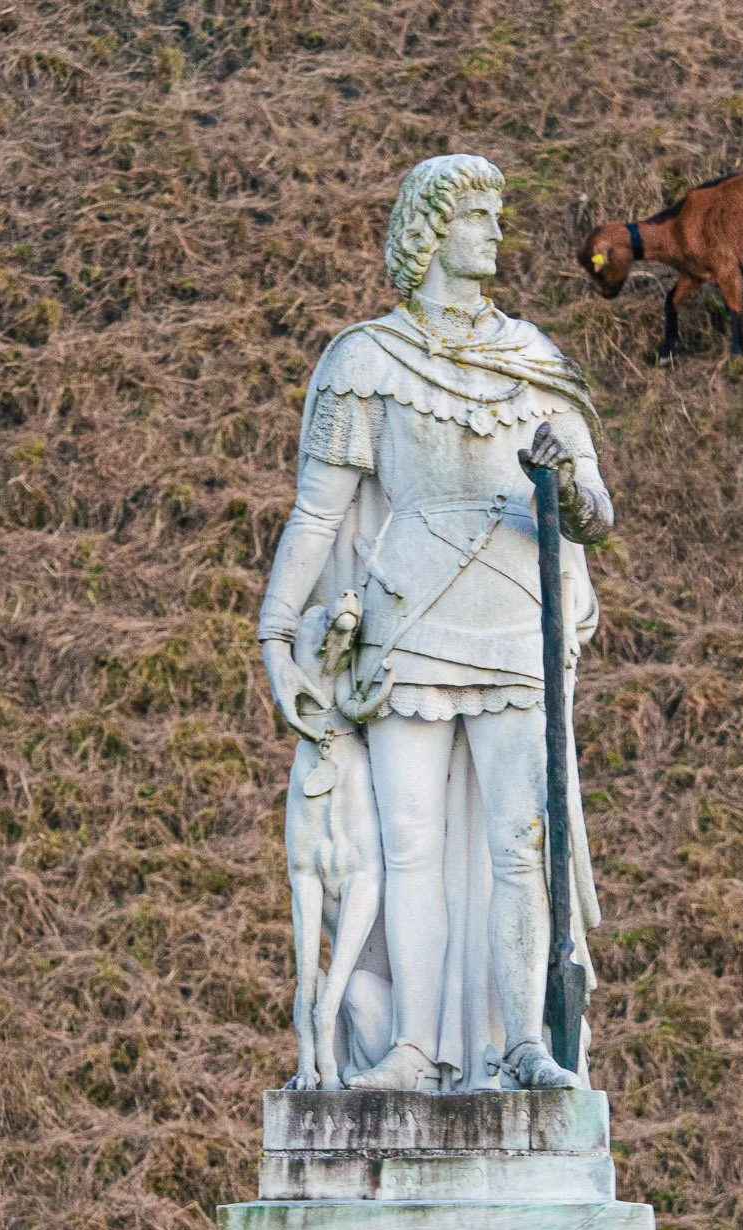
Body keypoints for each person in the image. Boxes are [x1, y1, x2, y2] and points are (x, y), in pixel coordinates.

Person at [256, 154, 611, 1092]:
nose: (497, 232)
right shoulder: (365, 361)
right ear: (428, 231)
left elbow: (598, 515)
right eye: (479, 216)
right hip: (404, 621)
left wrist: (567, 482)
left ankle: (521, 1042)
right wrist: (275, 632)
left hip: (514, 616)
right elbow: (318, 516)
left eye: (497, 214)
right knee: (407, 845)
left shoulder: (535, 364)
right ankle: (413, 1045)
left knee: (519, 843)